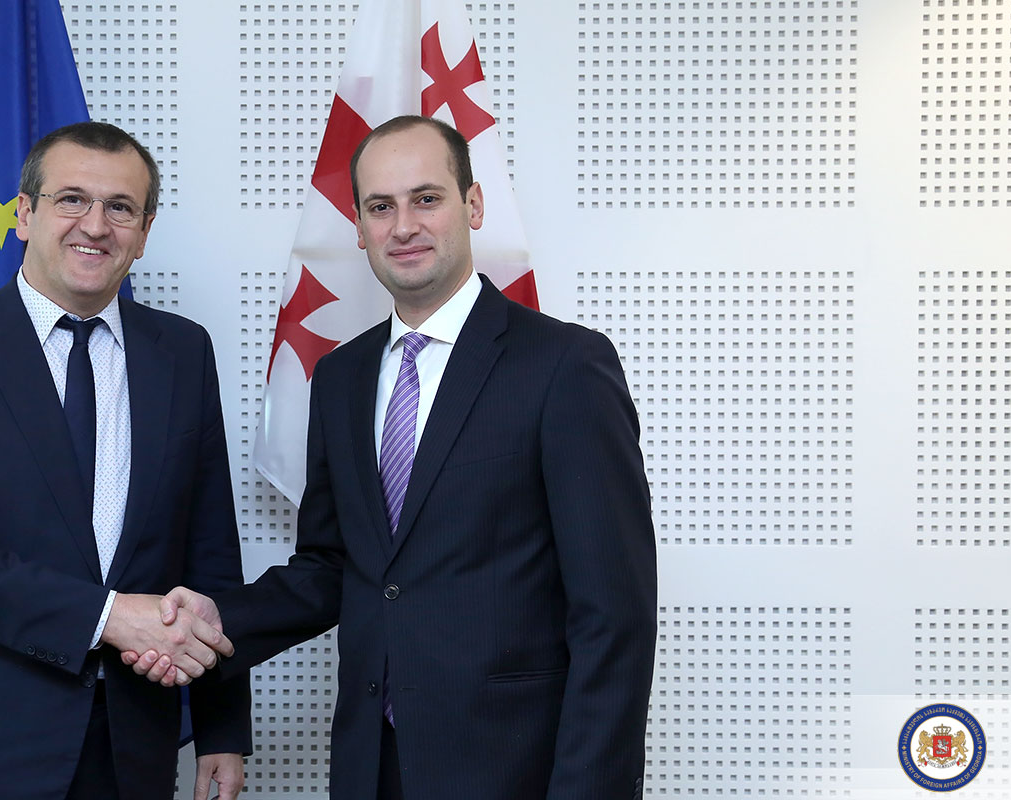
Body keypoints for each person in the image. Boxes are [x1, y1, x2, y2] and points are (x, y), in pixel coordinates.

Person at [127, 115, 657, 799]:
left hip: (514, 768)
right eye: (380, 207)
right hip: (371, 767)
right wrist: (215, 623)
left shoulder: (564, 365)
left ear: (473, 205)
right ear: (358, 227)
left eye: (426, 199)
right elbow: (332, 567)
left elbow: (614, 616)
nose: (403, 226)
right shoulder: (340, 379)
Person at [0, 121, 251, 800]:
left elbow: (209, 550)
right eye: (72, 199)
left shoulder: (184, 352)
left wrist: (221, 725)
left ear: (144, 231)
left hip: (129, 748)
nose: (95, 226)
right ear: (25, 214)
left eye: (120, 208)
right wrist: (109, 618)